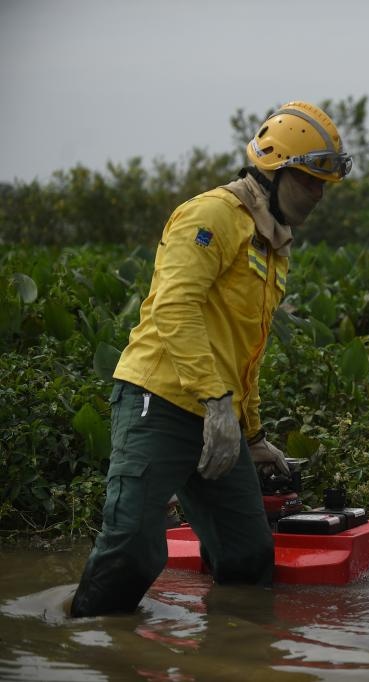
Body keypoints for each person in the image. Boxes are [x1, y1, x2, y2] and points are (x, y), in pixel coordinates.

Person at [70, 101, 353, 616]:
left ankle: (230, 653)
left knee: (247, 553)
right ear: (274, 171)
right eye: (310, 180)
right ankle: (84, 641)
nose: (318, 194)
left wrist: (253, 434)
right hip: (159, 400)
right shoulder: (210, 215)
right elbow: (177, 309)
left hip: (219, 415)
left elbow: (244, 347)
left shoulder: (274, 245)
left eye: (322, 183)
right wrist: (217, 403)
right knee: (132, 548)